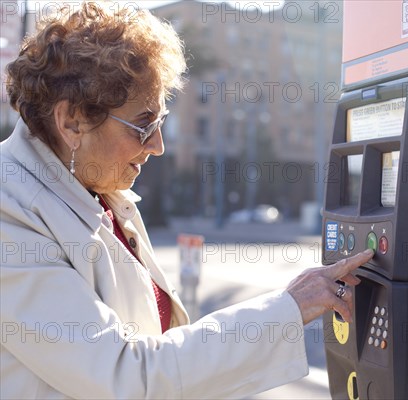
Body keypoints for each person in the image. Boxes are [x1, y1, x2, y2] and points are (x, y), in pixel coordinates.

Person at [0, 3, 374, 399]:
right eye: (143, 125)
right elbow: (125, 377)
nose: (158, 146)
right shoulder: (12, 211)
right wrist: (287, 309)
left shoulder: (95, 190)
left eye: (160, 122)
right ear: (72, 121)